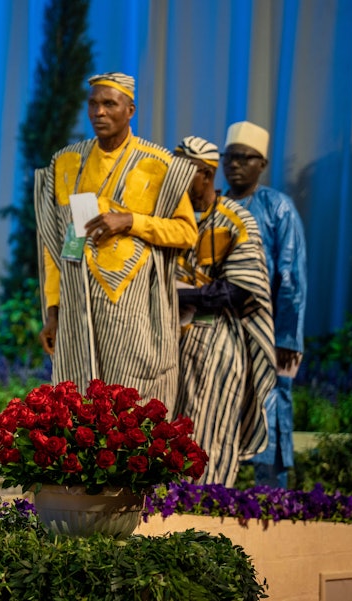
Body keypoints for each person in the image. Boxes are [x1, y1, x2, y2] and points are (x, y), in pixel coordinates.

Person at [34, 72, 198, 402]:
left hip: (134, 306)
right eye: (93, 103)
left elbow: (186, 232)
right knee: (77, 399)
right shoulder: (67, 162)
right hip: (78, 303)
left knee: (130, 401)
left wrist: (130, 221)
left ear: (130, 110)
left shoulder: (159, 164)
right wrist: (53, 311)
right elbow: (57, 244)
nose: (99, 112)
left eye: (110, 104)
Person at [171, 135, 276, 487]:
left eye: (180, 171)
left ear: (204, 173)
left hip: (215, 340)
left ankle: (205, 516)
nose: (172, 178)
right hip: (170, 341)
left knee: (209, 433)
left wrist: (182, 296)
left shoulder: (235, 219)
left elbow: (237, 289)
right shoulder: (167, 217)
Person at [222, 120, 307, 489]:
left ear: (263, 164)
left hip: (272, 333)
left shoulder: (278, 208)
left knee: (272, 410)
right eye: (230, 157)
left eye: (245, 158)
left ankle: (274, 499)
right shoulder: (218, 207)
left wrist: (287, 336)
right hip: (226, 332)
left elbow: (291, 276)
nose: (236, 164)